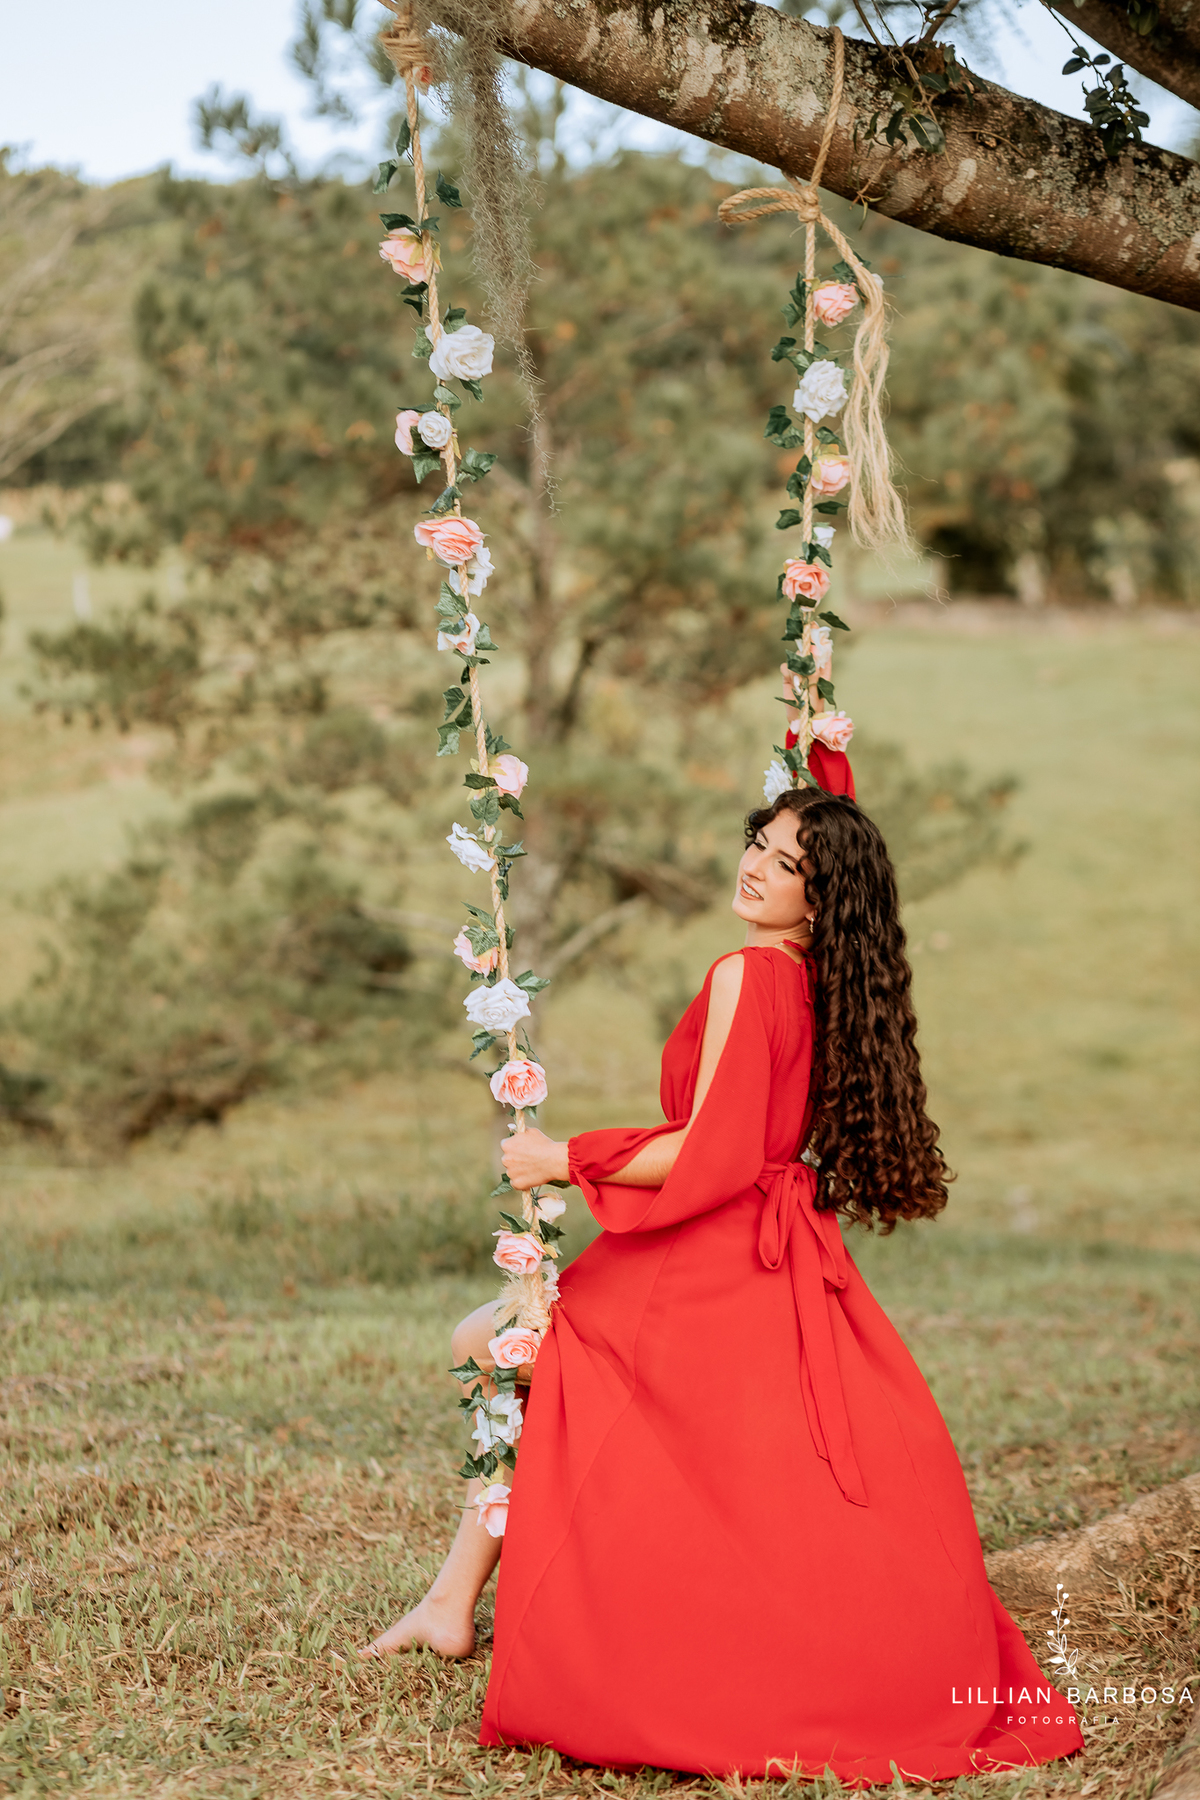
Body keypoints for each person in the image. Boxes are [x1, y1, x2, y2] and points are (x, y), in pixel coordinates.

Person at [362, 731, 1083, 1787]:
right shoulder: (829, 981)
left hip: (710, 1243)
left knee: (497, 1342)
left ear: (822, 894)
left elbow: (715, 1145)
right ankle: (449, 1602)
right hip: (774, 1247)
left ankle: (457, 1604)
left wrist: (562, 1155)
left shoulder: (748, 970)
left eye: (791, 862)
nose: (758, 864)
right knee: (548, 1370)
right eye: (760, 841)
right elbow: (753, 1134)